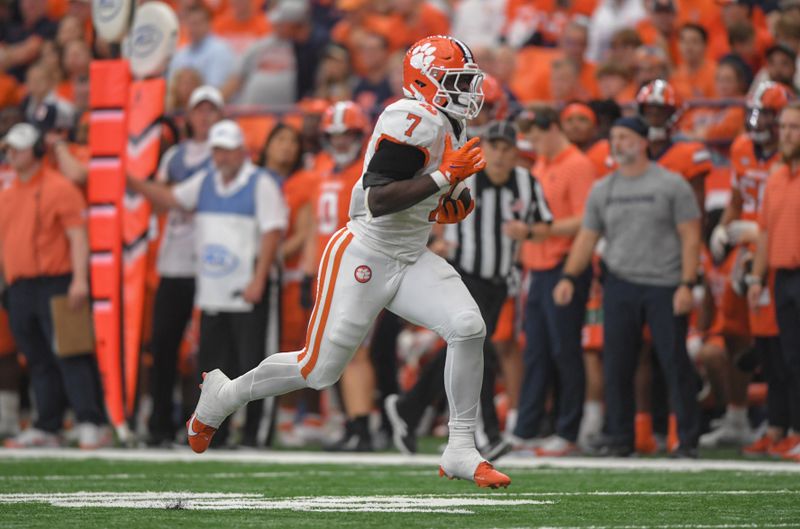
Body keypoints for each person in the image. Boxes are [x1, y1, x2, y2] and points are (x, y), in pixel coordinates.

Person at [186, 35, 511, 488]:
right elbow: (378, 199)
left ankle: (460, 447)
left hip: (410, 254)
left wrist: (450, 202)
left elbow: (431, 195)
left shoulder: (448, 122)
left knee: (468, 326)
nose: (466, 91)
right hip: (364, 251)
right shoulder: (410, 118)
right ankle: (222, 396)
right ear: (424, 83)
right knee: (318, 370)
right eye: (455, 81)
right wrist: (443, 179)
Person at [385, 121, 552, 461]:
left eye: (507, 148)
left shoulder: (526, 182)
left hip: (499, 282)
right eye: (495, 147)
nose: (501, 155)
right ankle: (486, 434)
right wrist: (435, 241)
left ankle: (409, 407)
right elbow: (426, 211)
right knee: (480, 353)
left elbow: (545, 225)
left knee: (463, 351)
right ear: (484, 149)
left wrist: (529, 232)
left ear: (515, 152)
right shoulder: (466, 180)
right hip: (465, 276)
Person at [128, 120, 287, 448]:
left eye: (228, 150)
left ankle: (257, 434)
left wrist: (259, 278)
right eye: (217, 150)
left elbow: (273, 231)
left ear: (241, 151)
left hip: (247, 290)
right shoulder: (205, 182)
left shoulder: (260, 183)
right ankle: (220, 432)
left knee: (255, 363)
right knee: (214, 369)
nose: (222, 157)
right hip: (215, 293)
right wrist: (132, 181)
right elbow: (172, 199)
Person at [553, 116, 702, 458]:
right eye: (614, 138)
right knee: (617, 364)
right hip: (620, 284)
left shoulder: (671, 184)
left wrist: (687, 283)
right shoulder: (604, 188)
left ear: (643, 141)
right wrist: (568, 277)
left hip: (665, 283)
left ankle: (688, 439)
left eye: (624, 137)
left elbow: (690, 236)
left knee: (674, 362)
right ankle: (620, 437)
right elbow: (587, 237)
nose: (617, 143)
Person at [0, 122, 106, 448]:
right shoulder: (7, 193)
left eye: (18, 148)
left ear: (36, 151)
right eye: (10, 149)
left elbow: (77, 236)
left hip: (57, 281)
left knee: (71, 353)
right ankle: (48, 424)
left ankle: (91, 420)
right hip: (20, 285)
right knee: (37, 358)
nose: (12, 154)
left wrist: (79, 279)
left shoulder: (60, 187)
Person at [703, 82, 793, 450]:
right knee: (735, 332)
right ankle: (740, 418)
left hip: (778, 249)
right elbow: (738, 198)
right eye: (756, 114)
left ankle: (783, 424)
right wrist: (723, 228)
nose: (760, 124)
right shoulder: (742, 147)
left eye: (769, 117)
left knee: (779, 344)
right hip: (746, 255)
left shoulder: (788, 160)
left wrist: (756, 232)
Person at [504, 106, 596, 456]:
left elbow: (587, 221)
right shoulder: (542, 165)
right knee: (537, 351)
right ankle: (527, 429)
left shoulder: (577, 165)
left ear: (553, 128)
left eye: (537, 134)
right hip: (538, 267)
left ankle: (568, 430)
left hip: (563, 265)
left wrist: (537, 232)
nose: (534, 142)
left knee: (565, 351)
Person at [145, 85, 224, 447]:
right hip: (174, 259)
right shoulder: (174, 154)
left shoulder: (224, 153)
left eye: (211, 110)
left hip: (211, 262)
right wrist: (173, 195)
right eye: (199, 110)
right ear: (189, 115)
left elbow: (195, 198)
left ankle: (205, 423)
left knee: (208, 351)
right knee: (163, 343)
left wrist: (172, 193)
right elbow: (162, 203)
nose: (204, 116)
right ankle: (160, 424)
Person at [748, 101, 800, 461]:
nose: (786, 134)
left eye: (794, 128)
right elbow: (765, 233)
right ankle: (794, 430)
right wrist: (756, 276)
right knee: (791, 359)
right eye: (783, 127)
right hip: (782, 276)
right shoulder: (776, 176)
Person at [168, 4, 236, 89]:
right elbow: (172, 88)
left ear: (209, 24)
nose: (193, 28)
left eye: (197, 23)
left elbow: (214, 89)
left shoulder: (220, 50)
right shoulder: (180, 54)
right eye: (190, 23)